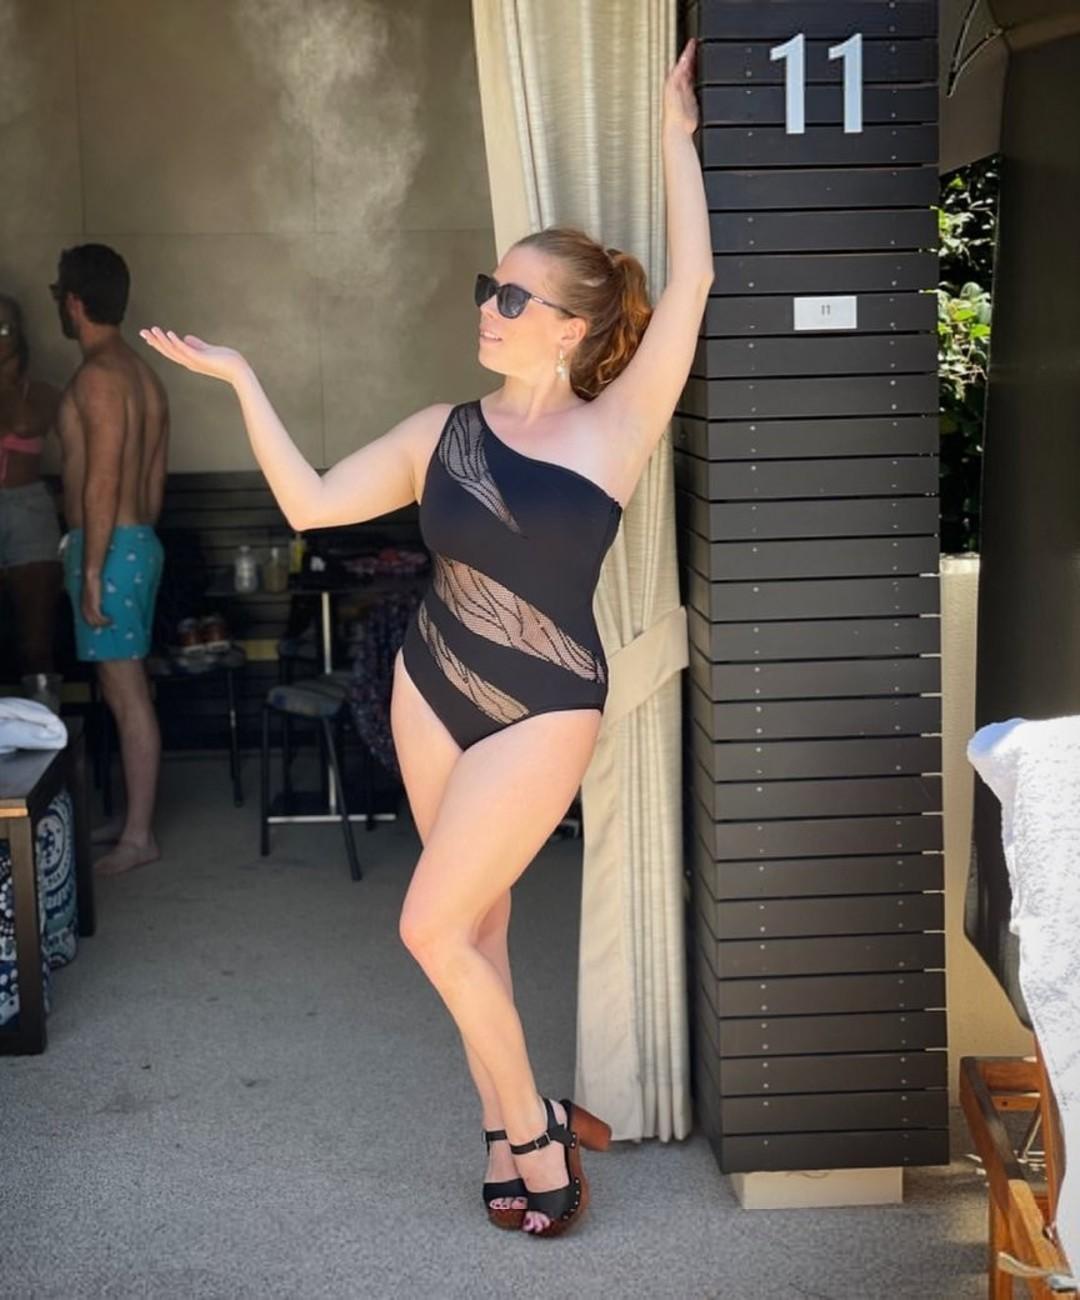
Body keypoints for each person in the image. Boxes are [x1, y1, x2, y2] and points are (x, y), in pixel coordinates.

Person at [141, 39, 710, 1237]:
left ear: (569, 329)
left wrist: (674, 139)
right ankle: (508, 1127)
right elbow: (310, 504)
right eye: (487, 288)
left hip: (545, 705)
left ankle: (538, 1131)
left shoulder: (616, 429)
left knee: (427, 924)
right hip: (431, 687)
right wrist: (242, 380)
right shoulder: (439, 430)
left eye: (513, 298)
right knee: (477, 928)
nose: (488, 309)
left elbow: (695, 282)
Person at [54, 244, 170, 876]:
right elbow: (150, 485)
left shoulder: (99, 377)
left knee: (126, 694)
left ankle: (139, 836)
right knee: (125, 687)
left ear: (74, 303)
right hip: (136, 541)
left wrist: (94, 568)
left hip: (111, 549)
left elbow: (101, 480)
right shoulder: (144, 376)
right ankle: (130, 820)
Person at [0, 293, 63, 681]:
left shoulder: (40, 391)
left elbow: (25, 424)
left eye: (4, 328)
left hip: (28, 510)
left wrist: (5, 381)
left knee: (36, 644)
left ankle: (44, 714)